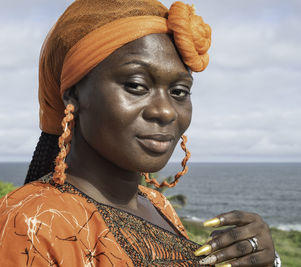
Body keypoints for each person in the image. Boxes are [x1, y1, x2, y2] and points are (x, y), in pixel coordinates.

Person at [0, 0, 280, 266]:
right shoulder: (32, 223)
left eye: (179, 92)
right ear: (72, 94)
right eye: (136, 85)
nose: (166, 111)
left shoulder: (157, 204)